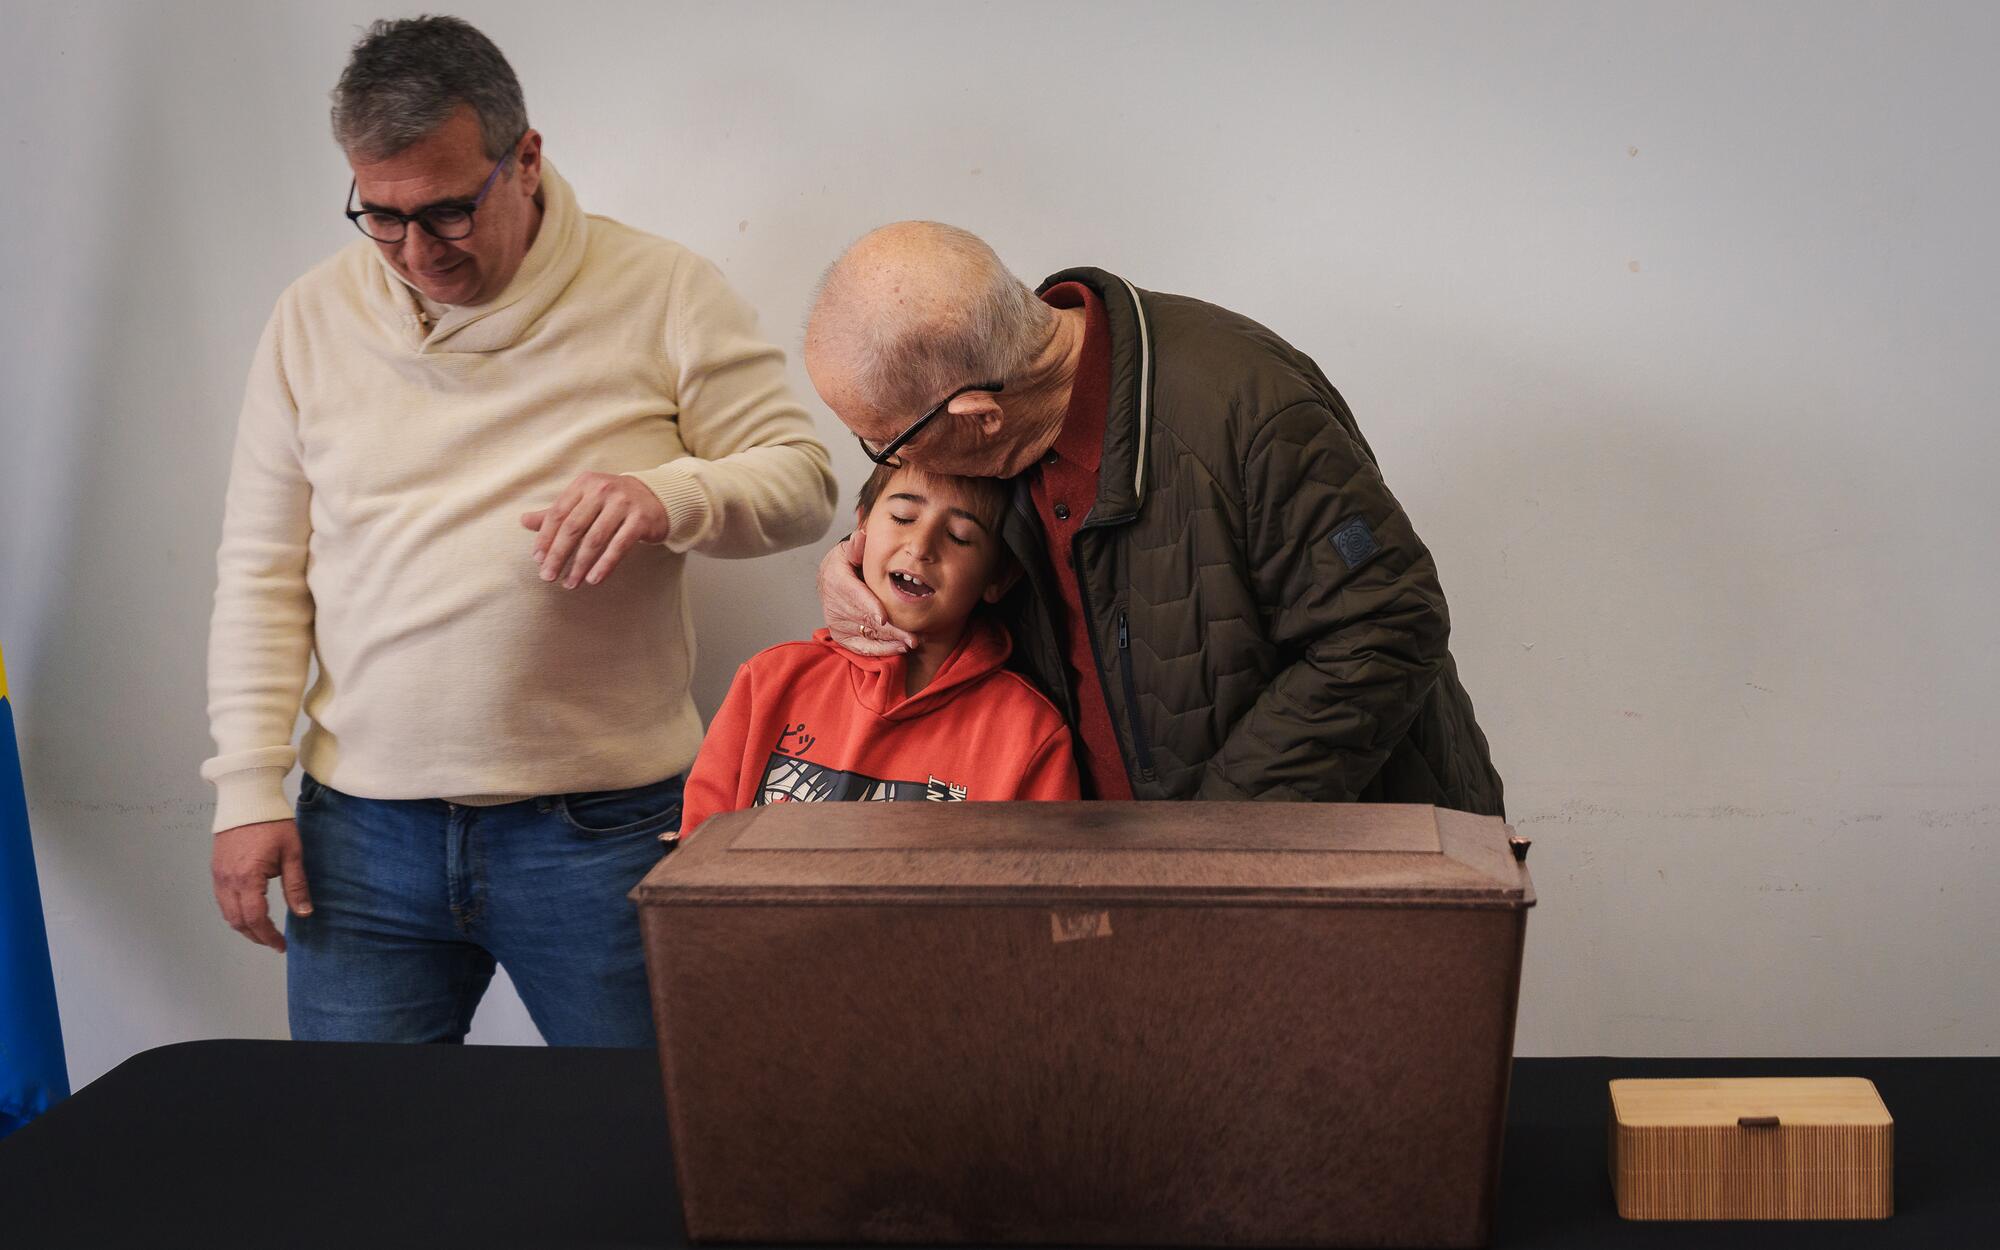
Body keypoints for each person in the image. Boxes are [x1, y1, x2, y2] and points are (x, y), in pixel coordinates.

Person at [202, 16, 835, 1045]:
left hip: (601, 829)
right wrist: (242, 786)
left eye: (448, 211)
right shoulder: (309, 317)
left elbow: (804, 483)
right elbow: (264, 571)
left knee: (648, 1155)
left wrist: (668, 495)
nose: (415, 251)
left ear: (526, 158)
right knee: (357, 1163)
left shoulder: (663, 290)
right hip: (359, 836)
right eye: (381, 215)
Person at [807, 222, 1502, 813]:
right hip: (1144, 881)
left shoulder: (1247, 408)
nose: (883, 457)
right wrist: (854, 563)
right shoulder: (1004, 398)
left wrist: (1210, 847)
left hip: (1341, 874)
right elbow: (941, 541)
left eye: (883, 442)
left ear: (979, 418)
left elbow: (1385, 627)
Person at [676, 461, 1080, 837]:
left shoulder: (1029, 731)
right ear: (862, 528)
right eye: (903, 517)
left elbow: (1041, 899)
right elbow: (696, 859)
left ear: (999, 577)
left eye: (959, 536)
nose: (921, 546)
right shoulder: (767, 681)